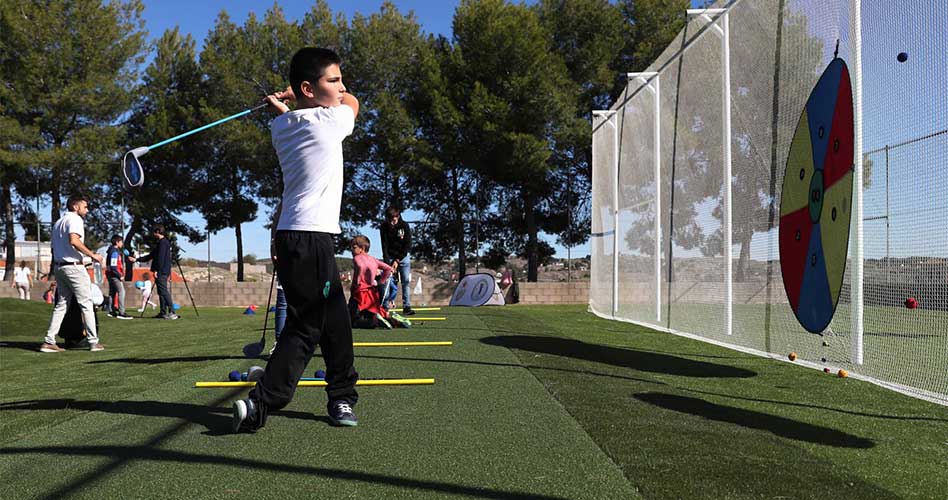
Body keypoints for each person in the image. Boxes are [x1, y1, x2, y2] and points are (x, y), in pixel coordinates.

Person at [232, 47, 362, 432]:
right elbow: (353, 102)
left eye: (340, 80)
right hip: (310, 238)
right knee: (308, 325)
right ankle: (262, 402)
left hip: (291, 236)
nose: (340, 88)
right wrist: (298, 97)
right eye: (333, 80)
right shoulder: (328, 121)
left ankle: (341, 397)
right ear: (308, 88)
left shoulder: (282, 126)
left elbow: (302, 117)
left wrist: (290, 101)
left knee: (336, 322)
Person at [39, 195, 105, 352]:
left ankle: (49, 340)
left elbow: (57, 247)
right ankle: (93, 342)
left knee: (61, 305)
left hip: (60, 267)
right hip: (74, 267)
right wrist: (93, 255)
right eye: (85, 206)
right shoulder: (75, 220)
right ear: (76, 207)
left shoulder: (58, 223)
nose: (87, 210)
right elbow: (74, 240)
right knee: (87, 304)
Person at [348, 235, 393, 329]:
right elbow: (389, 269)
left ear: (362, 248)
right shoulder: (373, 259)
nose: (351, 249)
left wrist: (357, 281)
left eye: (354, 247)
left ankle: (375, 322)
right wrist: (381, 282)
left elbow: (361, 266)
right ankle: (388, 319)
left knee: (350, 320)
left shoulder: (357, 258)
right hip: (373, 292)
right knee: (369, 313)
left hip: (360, 292)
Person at [136, 225, 177, 320]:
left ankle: (172, 311)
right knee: (160, 292)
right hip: (161, 270)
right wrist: (137, 259)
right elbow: (151, 255)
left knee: (163, 291)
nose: (153, 234)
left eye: (154, 232)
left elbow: (161, 258)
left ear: (158, 231)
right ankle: (163, 312)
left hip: (162, 271)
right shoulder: (160, 243)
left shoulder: (163, 243)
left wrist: (156, 270)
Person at [379, 206, 414, 315]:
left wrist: (397, 260)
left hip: (403, 257)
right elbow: (384, 246)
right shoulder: (384, 227)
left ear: (398, 217)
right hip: (389, 257)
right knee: (386, 282)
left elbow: (407, 245)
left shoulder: (404, 226)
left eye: (393, 220)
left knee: (405, 281)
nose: (392, 222)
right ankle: (384, 307)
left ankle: (406, 306)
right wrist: (387, 263)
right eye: (389, 220)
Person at [105, 235, 135, 319]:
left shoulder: (111, 251)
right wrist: (119, 275)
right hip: (115, 275)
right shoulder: (114, 252)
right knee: (122, 291)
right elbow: (113, 266)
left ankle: (111, 311)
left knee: (112, 292)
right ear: (117, 242)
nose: (122, 243)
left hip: (110, 274)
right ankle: (121, 312)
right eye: (121, 242)